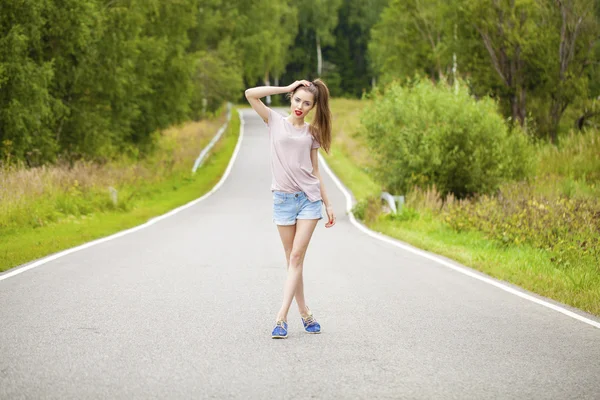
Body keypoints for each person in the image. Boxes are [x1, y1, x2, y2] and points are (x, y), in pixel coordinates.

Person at [244, 79, 336, 339]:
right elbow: (250, 94)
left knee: (296, 258)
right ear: (291, 99)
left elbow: (315, 171)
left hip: (309, 200)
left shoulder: (312, 133)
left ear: (313, 107)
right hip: (283, 200)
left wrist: (328, 204)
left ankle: (281, 318)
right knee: (292, 261)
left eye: (307, 103)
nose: (300, 106)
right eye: (297, 100)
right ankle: (306, 313)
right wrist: (287, 87)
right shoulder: (274, 121)